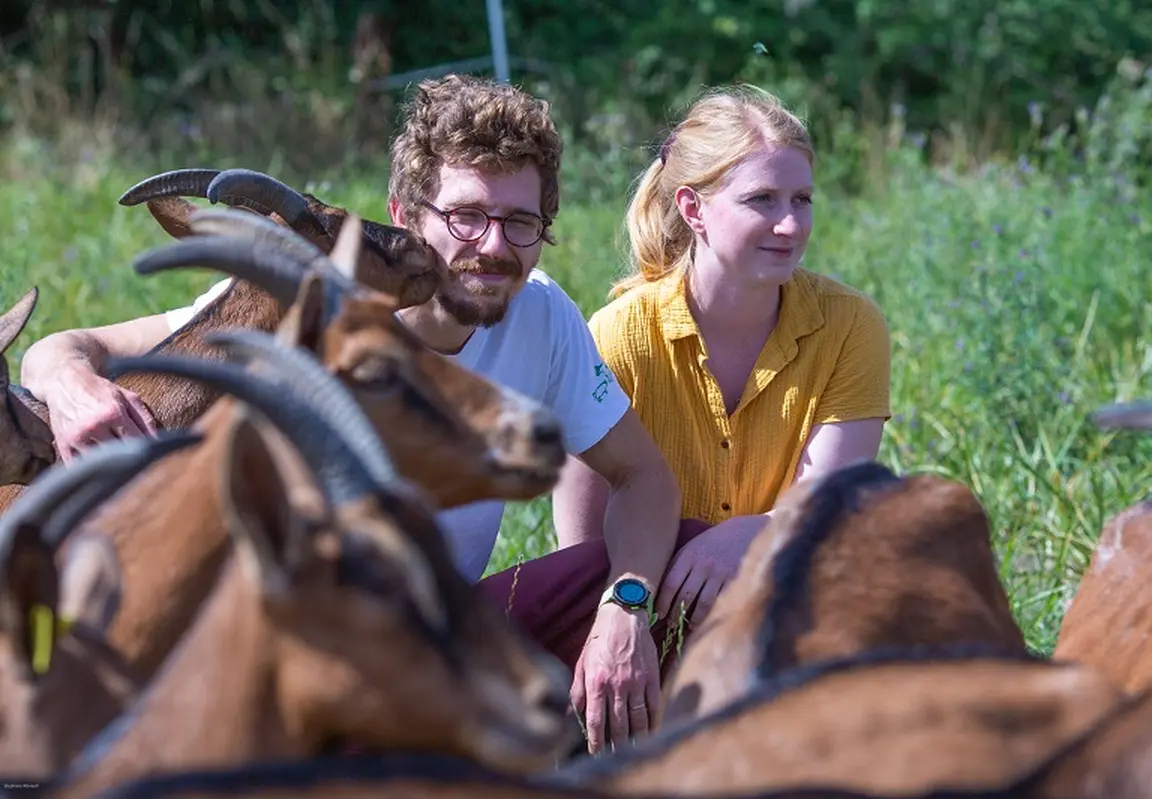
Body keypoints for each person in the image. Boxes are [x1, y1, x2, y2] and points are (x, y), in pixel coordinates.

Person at [18, 74, 683, 754]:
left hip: (439, 632)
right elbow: (70, 347)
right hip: (301, 660)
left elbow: (644, 478)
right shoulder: (307, 303)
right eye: (466, 216)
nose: (493, 246)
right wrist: (68, 382)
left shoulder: (541, 314)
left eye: (520, 221)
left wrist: (624, 606)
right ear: (405, 211)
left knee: (681, 562)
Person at [553, 84, 892, 639]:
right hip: (641, 613)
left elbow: (830, 502)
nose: (790, 225)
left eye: (801, 199)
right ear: (693, 209)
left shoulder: (850, 326)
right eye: (762, 199)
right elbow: (580, 557)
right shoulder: (618, 336)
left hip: (787, 604)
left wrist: (752, 534)